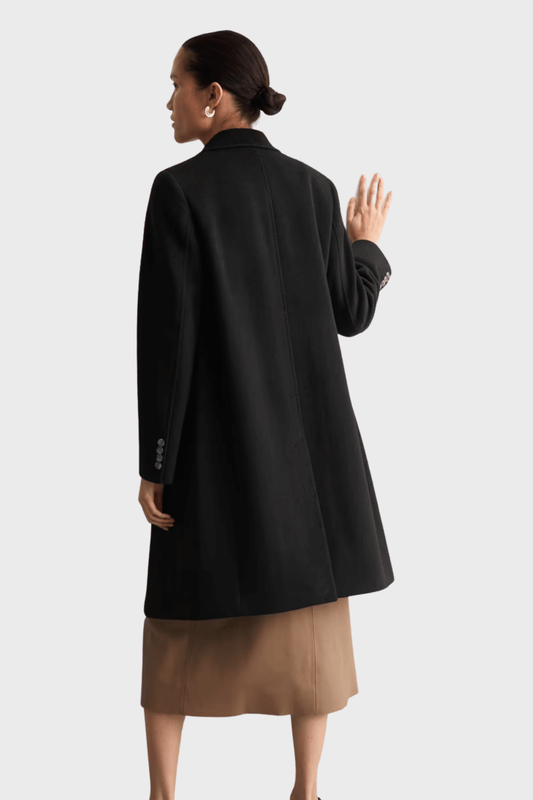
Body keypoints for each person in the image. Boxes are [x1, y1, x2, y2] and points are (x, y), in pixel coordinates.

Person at [136, 29, 394, 800]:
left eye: (177, 85)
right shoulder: (312, 189)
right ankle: (306, 787)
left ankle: (162, 794)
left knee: (175, 618)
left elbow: (167, 342)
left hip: (214, 451)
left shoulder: (178, 191)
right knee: (311, 619)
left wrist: (155, 462)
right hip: (311, 464)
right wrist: (366, 247)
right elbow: (350, 312)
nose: (169, 101)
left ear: (214, 97)